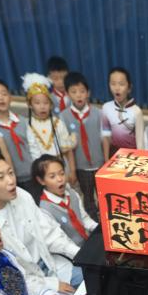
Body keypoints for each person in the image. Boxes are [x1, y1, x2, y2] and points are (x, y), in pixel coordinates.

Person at [0, 152, 81, 289]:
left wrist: (80, 254)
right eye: (0, 177)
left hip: (52, 265)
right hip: (28, 286)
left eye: (11, 173)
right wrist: (51, 285)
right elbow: (6, 277)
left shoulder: (21, 195)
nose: (11, 181)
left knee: (92, 277)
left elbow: (49, 234)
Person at [61, 72, 108, 215]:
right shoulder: (64, 116)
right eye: (74, 92)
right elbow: (66, 147)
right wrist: (71, 170)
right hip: (81, 166)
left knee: (104, 194)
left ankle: (105, 217)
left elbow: (105, 139)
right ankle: (93, 220)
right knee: (87, 196)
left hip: (99, 163)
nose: (79, 95)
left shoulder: (99, 113)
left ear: (88, 93)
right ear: (67, 94)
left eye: (82, 91)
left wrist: (106, 161)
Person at [21, 73, 77, 186]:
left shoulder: (58, 123)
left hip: (61, 167)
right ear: (30, 105)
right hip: (42, 171)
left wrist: (72, 171)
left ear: (51, 105)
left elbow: (68, 150)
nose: (42, 106)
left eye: (46, 103)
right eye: (37, 103)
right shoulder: (27, 125)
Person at [32, 154, 98, 246]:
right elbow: (59, 242)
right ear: (41, 180)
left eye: (62, 173)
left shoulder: (72, 194)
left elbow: (84, 218)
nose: (60, 179)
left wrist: (99, 228)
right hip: (71, 251)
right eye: (52, 176)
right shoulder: (44, 209)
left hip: (87, 242)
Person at [0, 77, 33, 186]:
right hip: (9, 181)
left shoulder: (23, 121)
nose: (1, 98)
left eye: (4, 93)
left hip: (34, 174)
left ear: (10, 97)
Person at [102, 66, 145, 151]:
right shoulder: (106, 107)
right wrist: (107, 158)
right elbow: (106, 137)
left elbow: (140, 143)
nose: (117, 88)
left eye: (121, 84)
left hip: (131, 156)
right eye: (113, 84)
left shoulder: (136, 111)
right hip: (113, 155)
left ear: (129, 88)